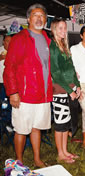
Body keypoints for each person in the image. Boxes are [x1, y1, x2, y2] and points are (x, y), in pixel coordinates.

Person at [3, 4, 53, 167]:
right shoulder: (19, 38)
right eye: (35, 15)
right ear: (28, 19)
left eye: (42, 16)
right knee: (21, 129)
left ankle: (37, 159)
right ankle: (19, 161)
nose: (39, 18)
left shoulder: (47, 39)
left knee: (37, 127)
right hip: (24, 94)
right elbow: (9, 67)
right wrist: (13, 92)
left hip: (43, 94)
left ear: (45, 20)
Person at [50, 18, 80, 163]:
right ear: (54, 29)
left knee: (65, 122)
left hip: (66, 88)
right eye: (60, 28)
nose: (63, 31)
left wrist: (77, 85)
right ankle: (60, 154)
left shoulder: (63, 45)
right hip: (59, 89)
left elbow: (71, 69)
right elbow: (56, 73)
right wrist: (70, 90)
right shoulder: (53, 47)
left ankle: (65, 150)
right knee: (60, 124)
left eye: (65, 28)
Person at [0, 34, 12, 99]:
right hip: (1, 82)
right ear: (3, 42)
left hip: (10, 82)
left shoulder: (14, 50)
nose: (9, 43)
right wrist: (1, 57)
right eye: (7, 41)